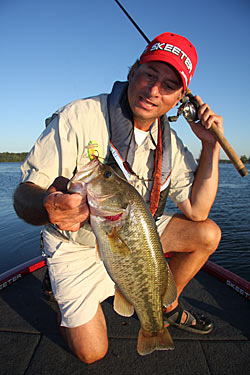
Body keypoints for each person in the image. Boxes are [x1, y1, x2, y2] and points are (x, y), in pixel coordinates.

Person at [13, 32, 222, 363]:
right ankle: (60, 288)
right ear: (133, 71)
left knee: (208, 233)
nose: (154, 91)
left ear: (180, 97)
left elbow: (198, 210)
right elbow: (23, 194)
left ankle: (162, 307)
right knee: (92, 353)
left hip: (129, 236)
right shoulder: (80, 115)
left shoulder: (171, 144)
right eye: (150, 74)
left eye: (169, 85)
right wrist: (46, 206)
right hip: (76, 244)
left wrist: (210, 145)